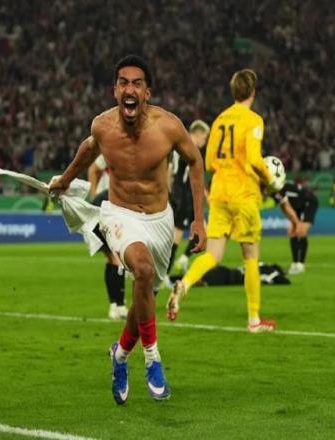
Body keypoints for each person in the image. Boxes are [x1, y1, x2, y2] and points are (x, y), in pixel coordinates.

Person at [49, 55, 206, 404]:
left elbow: (196, 162)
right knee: (144, 271)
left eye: (137, 83)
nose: (129, 89)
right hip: (119, 214)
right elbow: (88, 149)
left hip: (160, 220)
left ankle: (119, 355)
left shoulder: (168, 126)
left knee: (145, 292)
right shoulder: (103, 126)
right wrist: (65, 179)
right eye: (123, 82)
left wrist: (199, 218)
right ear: (115, 90)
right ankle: (152, 359)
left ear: (147, 92)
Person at [166, 68, 277, 332]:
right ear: (253, 92)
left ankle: (185, 284)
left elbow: (209, 162)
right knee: (250, 255)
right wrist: (269, 180)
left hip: (219, 193)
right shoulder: (253, 120)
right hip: (243, 194)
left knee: (213, 254)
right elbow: (254, 159)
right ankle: (254, 319)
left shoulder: (219, 121)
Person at [166, 119, 210, 280]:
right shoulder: (189, 148)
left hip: (183, 195)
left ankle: (183, 260)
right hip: (184, 196)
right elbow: (192, 177)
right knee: (176, 237)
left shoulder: (179, 145)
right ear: (198, 134)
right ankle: (164, 275)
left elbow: (169, 170)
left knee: (204, 230)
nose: (204, 142)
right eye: (204, 137)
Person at [88, 154, 128, 320]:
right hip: (104, 207)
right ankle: (116, 305)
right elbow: (93, 169)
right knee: (116, 259)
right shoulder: (111, 150)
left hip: (114, 207)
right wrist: (94, 194)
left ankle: (118, 305)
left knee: (115, 259)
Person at [272, 180, 318, 274]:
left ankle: (300, 265)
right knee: (291, 232)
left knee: (301, 231)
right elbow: (284, 208)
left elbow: (287, 207)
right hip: (297, 206)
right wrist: (293, 221)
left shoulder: (278, 190)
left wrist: (297, 223)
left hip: (308, 202)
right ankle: (295, 263)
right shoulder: (276, 190)